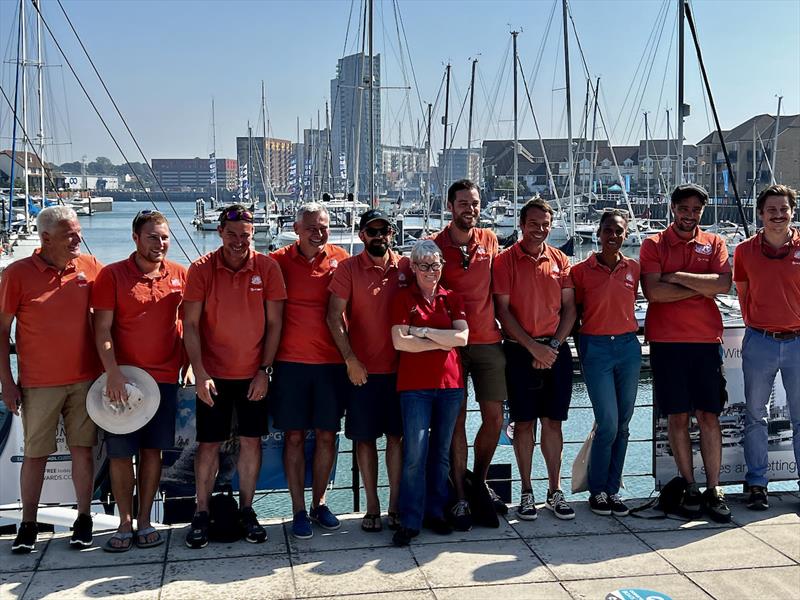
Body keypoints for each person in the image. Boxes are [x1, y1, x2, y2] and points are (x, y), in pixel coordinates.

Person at [0, 206, 102, 553]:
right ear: (45, 238)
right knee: (36, 455)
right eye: (69, 233)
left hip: (86, 379)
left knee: (82, 452)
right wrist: (7, 383)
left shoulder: (90, 267)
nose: (78, 238)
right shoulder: (17, 274)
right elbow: (2, 331)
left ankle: (84, 519)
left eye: (77, 231)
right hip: (38, 383)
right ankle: (27, 524)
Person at [183, 204, 286, 548]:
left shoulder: (268, 268)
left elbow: (275, 324)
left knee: (251, 442)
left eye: (245, 235)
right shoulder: (201, 269)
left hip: (253, 374)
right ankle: (200, 512)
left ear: (253, 234)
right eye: (232, 235)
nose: (239, 242)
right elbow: (191, 326)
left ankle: (246, 509)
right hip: (213, 375)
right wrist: (199, 373)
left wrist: (264, 371)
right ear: (220, 234)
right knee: (207, 444)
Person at [91, 210, 186, 551]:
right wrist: (112, 372)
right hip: (123, 381)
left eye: (164, 237)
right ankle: (124, 522)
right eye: (152, 237)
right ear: (135, 238)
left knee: (152, 453)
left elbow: (188, 325)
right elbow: (101, 329)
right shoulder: (112, 275)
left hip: (164, 379)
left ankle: (145, 520)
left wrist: (188, 363)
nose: (159, 244)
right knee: (120, 454)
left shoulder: (180, 274)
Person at [640, 183, 732, 522]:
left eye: (696, 210)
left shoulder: (715, 242)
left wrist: (676, 276)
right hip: (667, 344)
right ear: (673, 208)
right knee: (677, 418)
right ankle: (690, 487)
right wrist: (700, 287)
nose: (689, 215)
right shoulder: (653, 243)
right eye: (684, 208)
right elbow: (653, 292)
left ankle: (714, 488)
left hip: (706, 342)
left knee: (710, 416)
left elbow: (723, 285)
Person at [493, 198, 577, 521]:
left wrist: (553, 345)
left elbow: (570, 308)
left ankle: (554, 490)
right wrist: (532, 348)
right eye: (533, 224)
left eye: (545, 224)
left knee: (553, 423)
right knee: (524, 423)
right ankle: (527, 491)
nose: (539, 230)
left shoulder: (561, 260)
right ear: (521, 224)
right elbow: (502, 311)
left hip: (555, 349)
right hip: (518, 351)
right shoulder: (504, 262)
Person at [327, 209, 411, 532]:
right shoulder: (348, 268)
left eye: (384, 231)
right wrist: (350, 358)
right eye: (371, 232)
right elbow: (333, 316)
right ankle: (372, 506)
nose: (379, 237)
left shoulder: (405, 266)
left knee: (397, 438)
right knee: (364, 440)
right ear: (362, 235)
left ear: (391, 232)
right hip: (361, 371)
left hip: (400, 369)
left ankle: (394, 506)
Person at [270, 202, 349, 540]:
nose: (319, 233)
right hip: (290, 365)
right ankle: (298, 510)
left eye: (324, 226)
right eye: (312, 227)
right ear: (296, 228)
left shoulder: (342, 259)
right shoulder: (277, 261)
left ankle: (320, 503)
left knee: (328, 436)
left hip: (332, 364)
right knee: (294, 437)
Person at [432, 179, 507, 531]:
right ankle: (460, 493)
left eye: (475, 203)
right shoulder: (434, 246)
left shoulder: (490, 241)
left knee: (494, 417)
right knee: (456, 420)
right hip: (451, 345)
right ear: (451, 206)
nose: (470, 209)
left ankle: (480, 480)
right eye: (464, 203)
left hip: (489, 341)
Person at [390, 239, 469, 546]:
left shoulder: (452, 298)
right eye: (423, 265)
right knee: (414, 454)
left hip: (450, 386)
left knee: (440, 454)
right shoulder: (402, 298)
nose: (430, 271)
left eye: (435, 265)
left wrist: (421, 332)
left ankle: (435, 512)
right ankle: (410, 519)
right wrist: (442, 340)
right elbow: (399, 342)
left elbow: (462, 338)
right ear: (413, 267)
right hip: (414, 388)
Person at [571, 210, 642, 517]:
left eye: (619, 231)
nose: (613, 236)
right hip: (596, 348)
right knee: (608, 423)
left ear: (625, 235)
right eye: (608, 231)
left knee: (624, 426)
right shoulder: (581, 271)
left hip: (628, 347)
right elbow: (572, 313)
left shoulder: (634, 268)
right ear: (598, 234)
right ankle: (597, 489)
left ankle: (613, 490)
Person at [733, 184, 800, 510]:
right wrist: (757, 325)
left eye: (783, 209)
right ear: (761, 214)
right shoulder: (744, 251)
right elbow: (743, 294)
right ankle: (757, 483)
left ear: (792, 212)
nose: (778, 215)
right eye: (771, 210)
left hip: (798, 343)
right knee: (755, 416)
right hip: (759, 341)